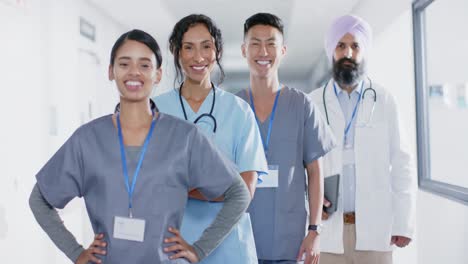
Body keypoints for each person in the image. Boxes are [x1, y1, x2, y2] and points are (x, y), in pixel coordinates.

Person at [29, 29, 251, 264]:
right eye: (124, 64)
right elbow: (39, 200)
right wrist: (75, 252)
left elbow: (238, 194)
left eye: (145, 65)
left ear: (157, 74)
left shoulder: (185, 137)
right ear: (110, 71)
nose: (134, 71)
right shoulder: (87, 139)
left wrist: (199, 249)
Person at [153, 14, 267, 264]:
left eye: (206, 46)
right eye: (188, 47)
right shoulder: (156, 111)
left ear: (218, 51)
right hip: (172, 246)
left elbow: (245, 190)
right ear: (176, 51)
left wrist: (184, 186)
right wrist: (223, 187)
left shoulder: (239, 111)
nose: (198, 57)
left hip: (230, 247)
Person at [309, 15, 416, 264]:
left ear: (364, 51)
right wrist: (310, 200)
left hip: (375, 231)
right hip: (327, 232)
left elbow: (402, 163)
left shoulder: (384, 99)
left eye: (355, 46)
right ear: (331, 52)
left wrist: (404, 223)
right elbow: (301, 164)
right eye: (341, 46)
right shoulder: (313, 102)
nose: (348, 52)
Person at [236, 13, 336, 264]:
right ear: (243, 50)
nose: (263, 51)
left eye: (271, 43)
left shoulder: (302, 105)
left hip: (290, 243)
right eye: (255, 43)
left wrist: (314, 231)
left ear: (282, 51)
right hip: (241, 239)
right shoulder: (234, 107)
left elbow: (315, 173)